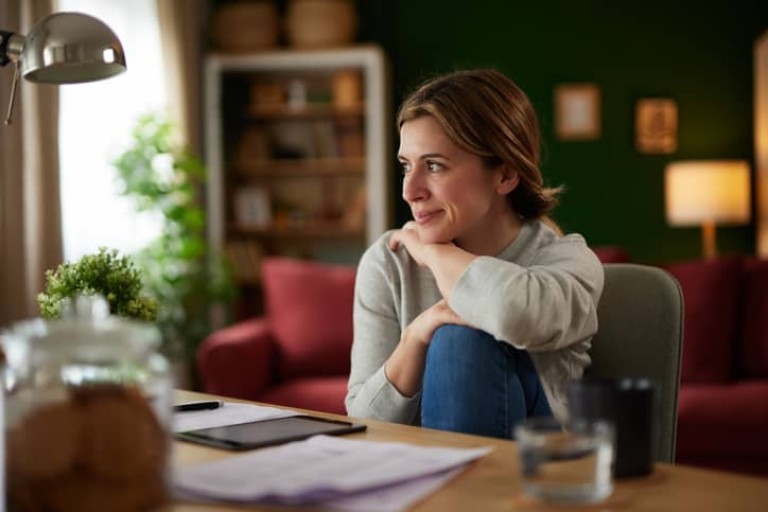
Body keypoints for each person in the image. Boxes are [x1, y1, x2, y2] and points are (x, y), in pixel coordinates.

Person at [345, 69, 604, 439]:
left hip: (538, 475)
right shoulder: (388, 262)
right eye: (406, 166)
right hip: (414, 477)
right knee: (446, 331)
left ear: (505, 174)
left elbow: (510, 312)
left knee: (460, 336)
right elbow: (363, 420)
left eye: (434, 166)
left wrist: (431, 254)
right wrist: (416, 336)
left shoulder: (567, 263)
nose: (410, 190)